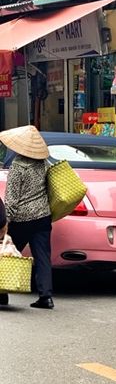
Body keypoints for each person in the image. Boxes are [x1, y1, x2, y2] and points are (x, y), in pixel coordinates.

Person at [0, 125, 54, 309]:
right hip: (43, 217)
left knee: (5, 254)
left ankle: (2, 294)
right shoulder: (44, 164)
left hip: (22, 219)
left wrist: (6, 221)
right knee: (43, 258)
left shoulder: (18, 166)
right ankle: (46, 297)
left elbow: (12, 198)